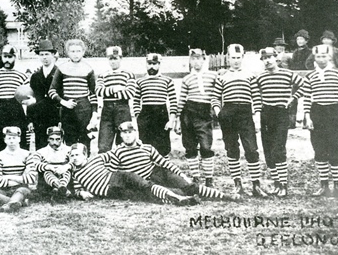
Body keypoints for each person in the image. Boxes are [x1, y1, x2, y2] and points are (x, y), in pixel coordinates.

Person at [108, 122, 239, 202]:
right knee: (170, 192)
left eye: (130, 132)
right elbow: (112, 172)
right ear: (120, 135)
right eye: (124, 133)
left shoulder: (147, 148)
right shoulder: (117, 152)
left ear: (136, 133)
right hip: (144, 182)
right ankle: (187, 198)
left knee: (188, 185)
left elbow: (165, 163)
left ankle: (224, 196)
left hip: (157, 173)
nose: (128, 135)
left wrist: (183, 176)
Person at [212, 44, 269, 197]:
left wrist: (256, 115)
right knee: (232, 149)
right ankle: (237, 185)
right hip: (228, 113)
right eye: (233, 58)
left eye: (238, 58)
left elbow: (256, 97)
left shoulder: (250, 75)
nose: (236, 61)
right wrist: (219, 113)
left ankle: (256, 185)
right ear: (228, 58)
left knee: (251, 149)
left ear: (242, 57)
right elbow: (215, 97)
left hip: (245, 112)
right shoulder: (222, 76)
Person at [68, 143, 194, 205]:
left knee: (146, 185)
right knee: (141, 195)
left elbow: (115, 152)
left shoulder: (96, 159)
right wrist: (82, 193)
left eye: (77, 155)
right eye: (72, 155)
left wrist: (126, 144)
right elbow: (78, 190)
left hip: (118, 177)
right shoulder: (75, 174)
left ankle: (180, 197)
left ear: (85, 155)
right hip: (111, 191)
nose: (74, 158)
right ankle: (181, 195)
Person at [302, 44, 338, 197]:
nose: (321, 59)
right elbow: (306, 99)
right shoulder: (310, 76)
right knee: (319, 149)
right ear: (314, 58)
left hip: (333, 113)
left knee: (335, 148)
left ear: (329, 57)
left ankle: (337, 186)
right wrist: (307, 117)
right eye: (318, 57)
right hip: (317, 113)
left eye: (324, 56)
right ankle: (324, 185)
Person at [253, 47, 304, 197]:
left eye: (270, 57)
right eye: (264, 58)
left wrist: (292, 98)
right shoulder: (261, 77)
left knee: (278, 149)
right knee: (268, 150)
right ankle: (276, 183)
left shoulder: (287, 74)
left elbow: (305, 84)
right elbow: (254, 94)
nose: (267, 60)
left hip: (281, 113)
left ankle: (283, 185)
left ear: (276, 58)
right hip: (266, 114)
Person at [175, 49, 217, 186]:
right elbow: (181, 99)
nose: (196, 61)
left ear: (204, 59)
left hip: (205, 112)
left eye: (199, 58)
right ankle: (196, 178)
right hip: (189, 112)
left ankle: (209, 180)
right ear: (190, 61)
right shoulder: (187, 79)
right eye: (193, 59)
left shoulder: (213, 76)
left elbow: (218, 93)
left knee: (206, 146)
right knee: (190, 146)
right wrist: (177, 118)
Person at [49, 39, 98, 155]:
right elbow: (51, 91)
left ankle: (85, 169)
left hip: (84, 109)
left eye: (78, 51)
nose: (75, 54)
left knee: (85, 141)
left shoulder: (88, 69)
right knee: (69, 142)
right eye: (72, 51)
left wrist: (95, 114)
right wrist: (63, 102)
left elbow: (93, 94)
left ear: (83, 52)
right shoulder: (62, 68)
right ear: (67, 52)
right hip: (67, 110)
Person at [0, 45, 29, 153]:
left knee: (19, 141)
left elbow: (27, 98)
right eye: (5, 56)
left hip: (16, 109)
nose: (7, 60)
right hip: (0, 110)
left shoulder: (22, 76)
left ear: (15, 57)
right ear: (1, 57)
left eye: (10, 56)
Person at [133, 53, 177, 158]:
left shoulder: (167, 81)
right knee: (145, 146)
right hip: (146, 114)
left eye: (155, 63)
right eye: (149, 63)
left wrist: (171, 120)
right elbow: (136, 101)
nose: (152, 66)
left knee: (163, 146)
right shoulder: (140, 81)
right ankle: (147, 171)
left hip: (161, 114)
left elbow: (173, 101)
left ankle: (164, 171)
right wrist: (138, 117)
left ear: (159, 64)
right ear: (146, 64)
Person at [95, 46, 136, 153]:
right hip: (107, 109)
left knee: (124, 141)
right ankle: (104, 166)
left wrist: (108, 91)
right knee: (104, 143)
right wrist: (116, 88)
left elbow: (130, 93)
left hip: (122, 108)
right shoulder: (103, 75)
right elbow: (99, 91)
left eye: (116, 58)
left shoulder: (128, 74)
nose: (113, 61)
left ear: (121, 58)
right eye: (110, 59)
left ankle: (123, 165)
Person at [27, 40, 61, 150]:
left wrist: (61, 119)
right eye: (41, 55)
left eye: (47, 54)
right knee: (41, 147)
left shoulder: (60, 74)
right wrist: (30, 119)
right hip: (39, 117)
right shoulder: (35, 76)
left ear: (53, 55)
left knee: (56, 146)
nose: (44, 57)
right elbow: (31, 97)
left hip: (55, 116)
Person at [32, 126, 72, 200]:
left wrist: (66, 167)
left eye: (57, 139)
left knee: (67, 171)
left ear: (62, 139)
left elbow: (75, 162)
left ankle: (60, 189)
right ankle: (60, 188)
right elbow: (34, 163)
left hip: (65, 178)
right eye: (51, 139)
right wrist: (48, 167)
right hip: (47, 182)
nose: (54, 142)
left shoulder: (69, 150)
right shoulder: (41, 152)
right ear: (47, 139)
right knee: (47, 172)